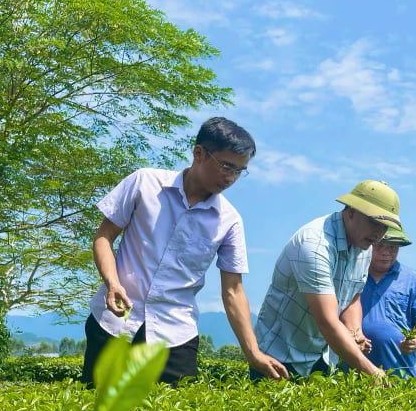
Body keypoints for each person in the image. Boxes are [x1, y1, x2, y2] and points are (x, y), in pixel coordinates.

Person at [81, 116, 288, 386]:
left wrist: (253, 352)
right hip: (114, 324)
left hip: (175, 338)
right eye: (226, 166)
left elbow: (233, 290)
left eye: (239, 171)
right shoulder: (145, 183)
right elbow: (103, 237)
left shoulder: (229, 220)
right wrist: (112, 283)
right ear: (199, 153)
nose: (231, 178)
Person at [252, 180, 402, 380]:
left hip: (321, 359)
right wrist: (370, 371)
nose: (379, 233)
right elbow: (327, 321)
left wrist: (355, 331)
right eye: (374, 222)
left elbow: (353, 297)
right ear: (351, 211)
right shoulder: (315, 244)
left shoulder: (364, 247)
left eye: (385, 227)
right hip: (279, 356)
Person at [359, 227, 416, 379]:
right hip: (356, 374)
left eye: (392, 247)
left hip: (401, 375)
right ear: (370, 245)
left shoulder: (415, 281)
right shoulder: (353, 275)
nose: (386, 252)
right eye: (380, 246)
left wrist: (415, 339)